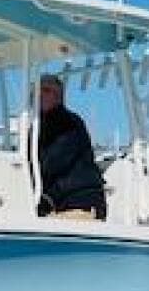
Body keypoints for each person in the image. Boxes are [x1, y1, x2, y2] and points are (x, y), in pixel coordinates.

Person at [34, 74, 106, 219]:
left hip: (79, 201)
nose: (40, 95)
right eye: (37, 91)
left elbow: (51, 163)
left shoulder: (68, 123)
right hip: (62, 201)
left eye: (46, 90)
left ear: (58, 96)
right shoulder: (41, 124)